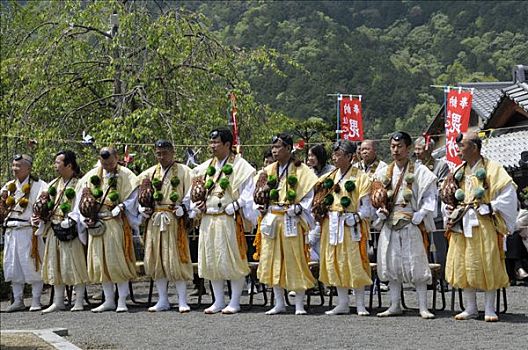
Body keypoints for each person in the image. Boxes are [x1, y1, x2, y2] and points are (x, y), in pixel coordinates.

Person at [443, 131, 518, 322]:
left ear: (474, 147)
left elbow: (508, 195)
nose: (458, 150)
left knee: (488, 262)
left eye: (462, 146)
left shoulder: (493, 169)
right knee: (464, 263)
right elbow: (448, 196)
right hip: (462, 222)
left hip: (483, 222)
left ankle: (490, 308)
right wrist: (449, 208)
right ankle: (470, 307)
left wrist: (491, 206)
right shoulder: (459, 171)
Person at [190, 128, 256, 314]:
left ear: (227, 144)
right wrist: (198, 206)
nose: (212, 146)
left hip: (228, 218)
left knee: (233, 259)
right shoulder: (203, 168)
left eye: (216, 142)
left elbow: (248, 192)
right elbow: (194, 194)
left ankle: (235, 301)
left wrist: (235, 206)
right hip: (208, 218)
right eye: (211, 142)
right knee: (211, 260)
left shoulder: (242, 166)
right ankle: (218, 300)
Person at [374, 131, 437, 319]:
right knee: (391, 264)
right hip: (390, 220)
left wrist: (421, 214)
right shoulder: (383, 172)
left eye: (399, 146)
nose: (395, 150)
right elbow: (375, 197)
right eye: (392, 147)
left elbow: (430, 196)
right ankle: (394, 304)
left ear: (408, 148)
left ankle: (423, 307)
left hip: (411, 220)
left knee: (416, 263)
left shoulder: (420, 171)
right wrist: (380, 209)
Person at [256, 133, 318, 315]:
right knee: (272, 260)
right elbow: (259, 195)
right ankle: (279, 302)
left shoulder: (302, 170)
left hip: (292, 218)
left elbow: (309, 196)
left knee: (295, 259)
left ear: (289, 148)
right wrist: (261, 205)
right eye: (273, 147)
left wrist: (299, 208)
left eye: (279, 147)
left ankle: (299, 303)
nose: (274, 151)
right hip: (273, 218)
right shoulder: (268, 171)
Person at [75, 147, 140, 313]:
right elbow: (81, 200)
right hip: (97, 222)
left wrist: (122, 206)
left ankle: (122, 300)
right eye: (105, 164)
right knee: (101, 262)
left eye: (111, 163)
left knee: (117, 262)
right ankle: (109, 299)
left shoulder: (126, 174)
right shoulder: (91, 176)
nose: (108, 166)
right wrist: (85, 217)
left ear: (117, 158)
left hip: (116, 222)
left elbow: (133, 196)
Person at [318, 140, 373, 315]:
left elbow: (367, 207)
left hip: (351, 223)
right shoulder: (330, 177)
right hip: (332, 222)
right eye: (334, 155)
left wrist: (355, 216)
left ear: (349, 157)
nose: (334, 158)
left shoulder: (361, 177)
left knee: (355, 261)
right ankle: (342, 302)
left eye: (338, 155)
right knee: (335, 261)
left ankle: (360, 303)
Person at [137, 140, 193, 312]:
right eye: (158, 153)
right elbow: (139, 194)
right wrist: (142, 208)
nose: (161, 157)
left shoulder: (185, 171)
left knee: (175, 258)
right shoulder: (150, 173)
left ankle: (182, 300)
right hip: (155, 219)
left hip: (173, 219)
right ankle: (162, 299)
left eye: (165, 153)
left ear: (173, 153)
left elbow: (191, 193)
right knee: (157, 259)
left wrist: (184, 208)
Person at [38, 150, 89, 313]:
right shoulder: (53, 184)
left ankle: (79, 300)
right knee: (55, 263)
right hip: (55, 227)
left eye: (58, 162)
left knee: (75, 263)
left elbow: (82, 204)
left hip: (71, 228)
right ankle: (58, 300)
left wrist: (73, 219)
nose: (55, 165)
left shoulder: (80, 183)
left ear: (69, 165)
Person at [2, 154, 47, 312]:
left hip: (29, 230)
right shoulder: (9, 186)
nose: (15, 169)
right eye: (13, 165)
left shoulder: (39, 185)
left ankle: (36, 299)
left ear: (28, 167)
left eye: (18, 166)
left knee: (32, 266)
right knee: (13, 266)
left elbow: (45, 206)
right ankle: (18, 299)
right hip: (11, 230)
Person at [414, 136, 450, 283]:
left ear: (429, 148)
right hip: (418, 213)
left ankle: (441, 278)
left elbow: (442, 187)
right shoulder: (413, 166)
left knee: (439, 248)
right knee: (421, 248)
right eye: (415, 149)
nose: (417, 152)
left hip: (435, 213)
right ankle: (425, 278)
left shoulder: (441, 166)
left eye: (419, 149)